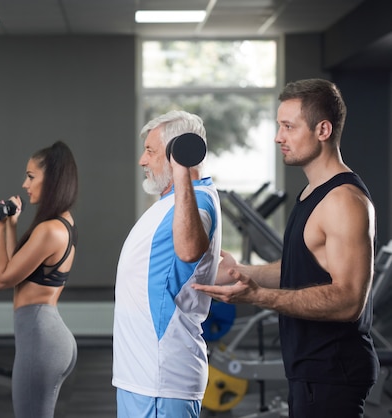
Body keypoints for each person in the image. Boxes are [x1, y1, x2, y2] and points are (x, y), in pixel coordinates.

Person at [192, 78, 379, 418]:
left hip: (332, 372)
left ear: (323, 129)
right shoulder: (312, 193)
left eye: (288, 127)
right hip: (309, 368)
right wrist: (238, 273)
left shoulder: (344, 201)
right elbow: (298, 268)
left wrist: (257, 297)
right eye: (279, 126)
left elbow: (349, 300)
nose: (279, 137)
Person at [112, 110, 222, 418]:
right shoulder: (172, 203)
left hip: (160, 378)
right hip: (141, 376)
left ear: (177, 153)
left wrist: (181, 171)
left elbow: (188, 250)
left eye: (150, 151)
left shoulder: (197, 201)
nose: (142, 161)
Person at [0, 141, 79, 418]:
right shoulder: (63, 222)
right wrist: (10, 226)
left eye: (31, 176)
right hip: (47, 336)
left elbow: (1, 279)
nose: (25, 184)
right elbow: (17, 266)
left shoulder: (49, 230)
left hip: (41, 342)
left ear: (51, 179)